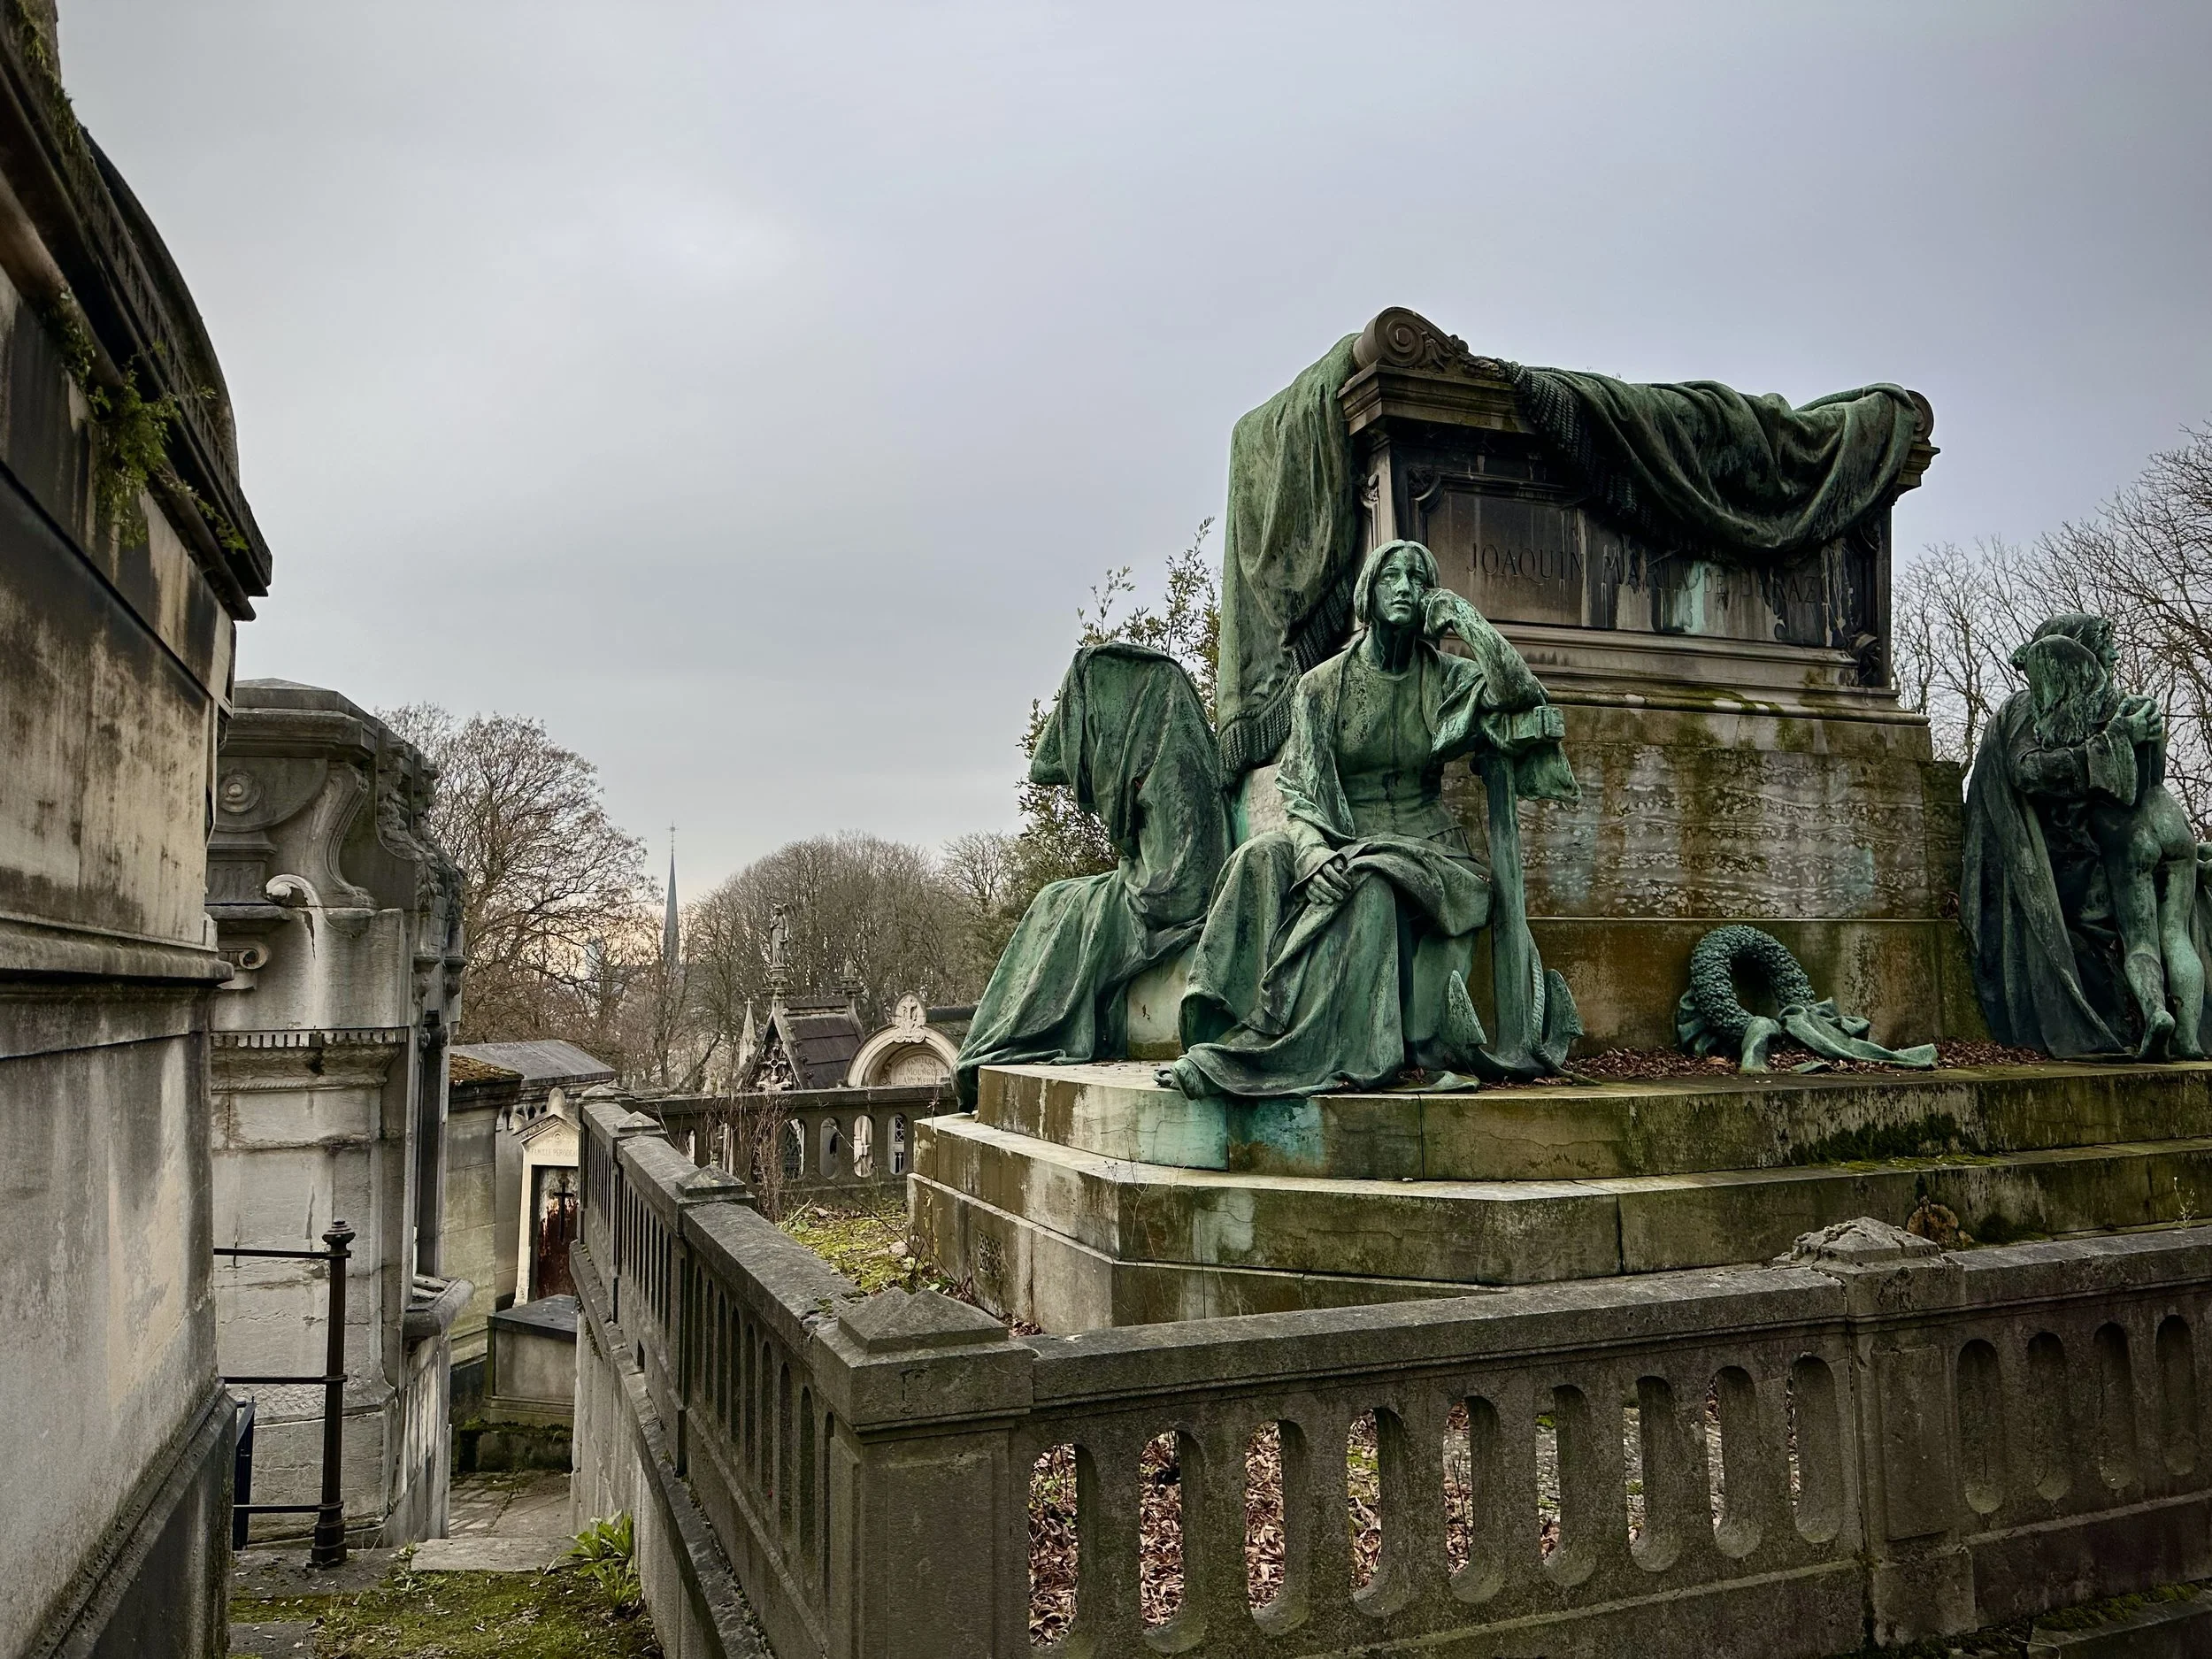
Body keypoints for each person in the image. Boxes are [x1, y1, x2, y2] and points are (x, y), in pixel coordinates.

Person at [1162, 540, 1579, 1101]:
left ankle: (1322, 1053)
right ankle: (1236, 1023)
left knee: (1369, 882)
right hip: (1338, 830)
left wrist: (1464, 618)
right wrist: (1309, 853)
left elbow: (1520, 692)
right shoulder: (1321, 686)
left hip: (1429, 850)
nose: (1405, 588)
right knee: (1258, 857)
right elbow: (1300, 788)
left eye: (1417, 578)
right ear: (1368, 593)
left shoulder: (1445, 676)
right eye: (1392, 578)